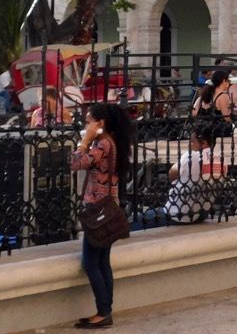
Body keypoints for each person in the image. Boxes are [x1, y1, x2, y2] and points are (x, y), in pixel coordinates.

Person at [71, 102, 132, 329]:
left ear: (100, 123)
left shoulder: (103, 144)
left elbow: (77, 163)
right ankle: (105, 310)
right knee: (102, 262)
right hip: (107, 208)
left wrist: (85, 141)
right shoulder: (112, 143)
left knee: (91, 262)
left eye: (89, 122)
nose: (86, 126)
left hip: (98, 210)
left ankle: (103, 311)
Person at [136, 124, 227, 228]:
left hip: (177, 214)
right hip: (202, 213)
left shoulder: (191, 156)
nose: (189, 144)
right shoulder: (223, 161)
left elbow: (171, 174)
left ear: (204, 143)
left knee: (135, 220)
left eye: (192, 141)